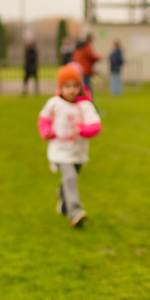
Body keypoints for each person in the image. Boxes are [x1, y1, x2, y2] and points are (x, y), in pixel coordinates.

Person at [37, 64, 102, 228]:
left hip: (78, 152)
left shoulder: (85, 106)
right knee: (70, 177)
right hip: (59, 151)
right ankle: (75, 211)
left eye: (75, 86)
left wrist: (82, 130)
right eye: (67, 86)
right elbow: (44, 120)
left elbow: (95, 126)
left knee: (70, 178)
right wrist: (46, 132)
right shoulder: (54, 104)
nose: (72, 90)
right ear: (60, 87)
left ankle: (63, 199)